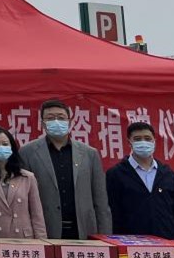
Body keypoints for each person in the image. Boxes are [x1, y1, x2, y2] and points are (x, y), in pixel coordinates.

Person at [19, 99, 112, 239]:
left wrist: (105, 236)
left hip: (83, 231)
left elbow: (101, 201)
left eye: (61, 117)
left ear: (70, 121)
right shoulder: (27, 152)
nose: (56, 121)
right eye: (50, 118)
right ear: (42, 123)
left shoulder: (89, 153)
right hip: (45, 231)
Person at [105, 122, 174, 240]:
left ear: (154, 141)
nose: (143, 142)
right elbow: (112, 212)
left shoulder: (167, 174)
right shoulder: (116, 174)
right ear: (129, 142)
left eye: (147, 138)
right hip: (131, 243)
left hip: (167, 241)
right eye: (137, 139)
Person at [0, 127, 47, 238]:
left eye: (5, 144)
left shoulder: (27, 177)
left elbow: (37, 214)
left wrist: (41, 241)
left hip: (23, 239)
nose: (1, 147)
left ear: (12, 147)